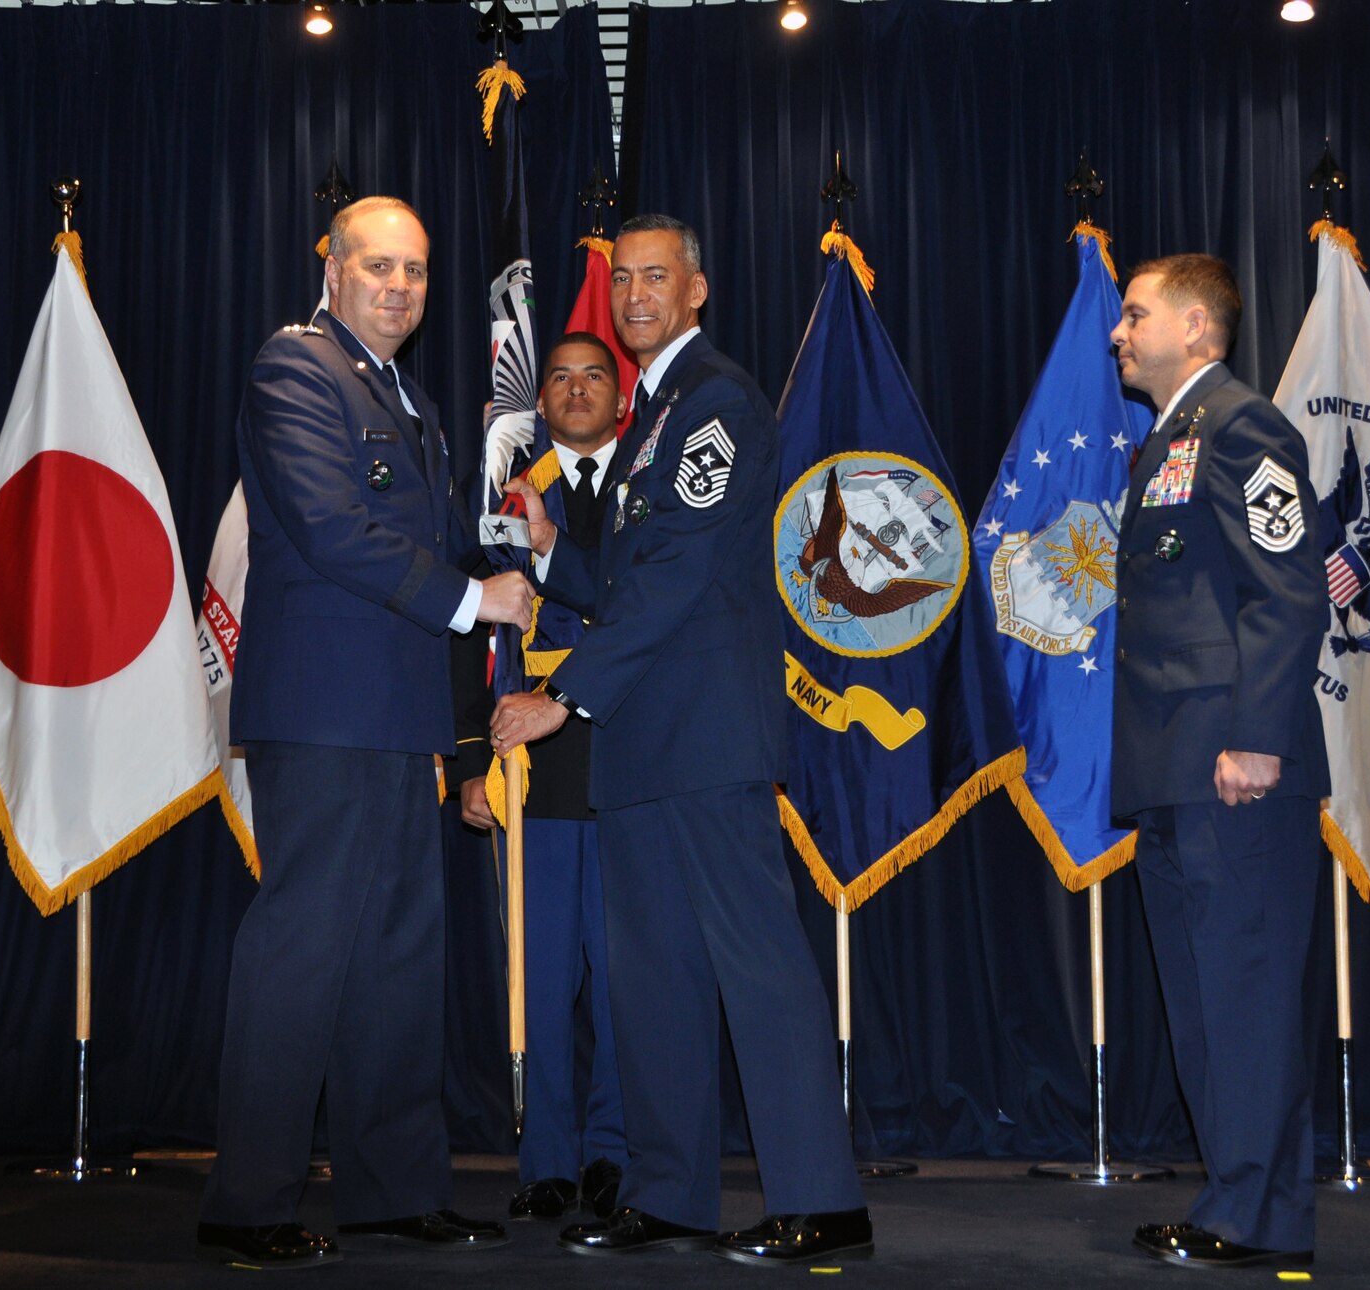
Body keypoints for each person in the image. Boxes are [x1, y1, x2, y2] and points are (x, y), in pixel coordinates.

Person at [491, 214, 871, 1267]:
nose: (634, 296)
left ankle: (821, 1200)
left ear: (695, 290)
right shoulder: (650, 416)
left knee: (756, 968)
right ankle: (669, 1198)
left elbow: (680, 575)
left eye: (655, 278)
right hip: (642, 748)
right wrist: (554, 549)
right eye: (623, 280)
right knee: (649, 978)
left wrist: (566, 694)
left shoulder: (714, 404)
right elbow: (618, 577)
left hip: (705, 740)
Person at [198, 195, 535, 1270]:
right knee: (302, 957)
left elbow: (441, 534)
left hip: (398, 720)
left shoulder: (413, 399)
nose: (399, 287)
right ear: (332, 267)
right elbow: (333, 529)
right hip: (324, 711)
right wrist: (475, 602)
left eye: (416, 272)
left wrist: (525, 529)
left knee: (398, 957)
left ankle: (393, 1191)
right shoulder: (294, 369)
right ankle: (246, 1205)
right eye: (378, 266)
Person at [1107, 253, 1330, 1270]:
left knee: (1238, 991)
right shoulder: (1165, 441)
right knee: (1201, 997)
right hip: (1171, 765)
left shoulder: (1243, 427)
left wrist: (1256, 736)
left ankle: (1257, 1213)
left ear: (1195, 328)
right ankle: (1236, 1200)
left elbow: (1283, 590)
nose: (1118, 332)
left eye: (1134, 313)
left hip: (1230, 764)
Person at [453, 333, 629, 1223]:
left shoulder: (653, 484)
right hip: (536, 770)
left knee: (628, 977)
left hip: (635, 764)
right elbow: (470, 637)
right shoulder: (503, 495)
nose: (574, 387)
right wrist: (471, 760)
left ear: (620, 389)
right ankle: (549, 1159)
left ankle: (618, 1154)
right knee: (544, 978)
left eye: (593, 373)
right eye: (557, 374)